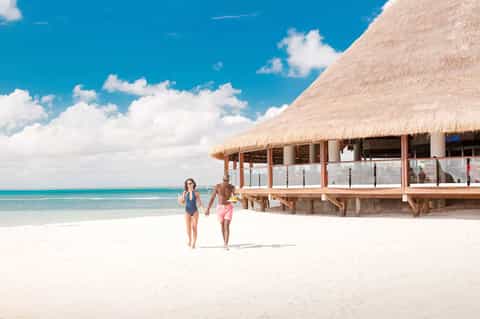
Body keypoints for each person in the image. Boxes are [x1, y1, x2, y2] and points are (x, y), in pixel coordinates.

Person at [206, 175, 235, 250]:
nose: (226, 182)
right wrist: (208, 208)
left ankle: (226, 244)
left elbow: (234, 199)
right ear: (222, 179)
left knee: (227, 225)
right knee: (222, 226)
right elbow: (212, 198)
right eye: (225, 180)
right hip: (220, 208)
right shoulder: (217, 186)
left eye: (227, 180)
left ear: (229, 180)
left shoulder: (231, 187)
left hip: (229, 207)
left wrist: (234, 200)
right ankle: (224, 241)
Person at [178, 178, 203, 249]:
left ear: (193, 184)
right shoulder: (185, 193)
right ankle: (189, 240)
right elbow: (183, 202)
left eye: (190, 183)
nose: (189, 185)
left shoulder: (196, 192)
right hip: (187, 211)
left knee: (194, 227)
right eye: (188, 184)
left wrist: (201, 205)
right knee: (188, 228)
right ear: (186, 185)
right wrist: (180, 200)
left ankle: (194, 243)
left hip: (195, 211)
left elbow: (199, 202)